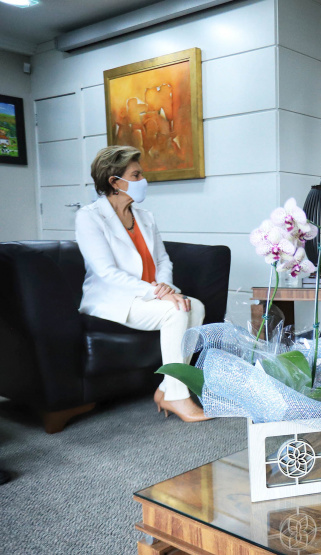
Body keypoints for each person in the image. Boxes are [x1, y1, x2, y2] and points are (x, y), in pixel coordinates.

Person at [76, 146, 209, 422]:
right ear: (114, 181)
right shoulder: (89, 217)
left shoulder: (145, 217)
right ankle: (177, 397)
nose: (142, 181)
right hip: (114, 298)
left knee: (194, 306)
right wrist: (156, 294)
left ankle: (166, 388)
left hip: (150, 294)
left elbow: (163, 260)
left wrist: (166, 289)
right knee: (177, 311)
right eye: (136, 175)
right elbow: (105, 272)